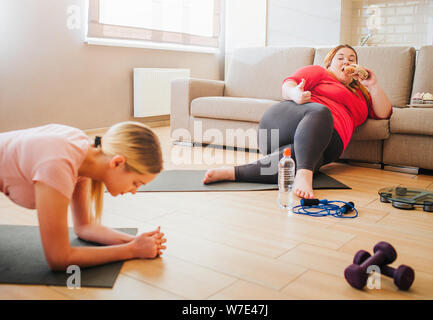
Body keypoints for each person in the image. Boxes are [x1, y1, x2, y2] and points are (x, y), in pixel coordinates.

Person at [203, 44, 392, 199]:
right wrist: (297, 95)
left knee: (294, 161)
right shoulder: (320, 72)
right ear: (330, 63)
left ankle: (232, 172)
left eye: (352, 59)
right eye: (340, 57)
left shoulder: (362, 93)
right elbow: (289, 85)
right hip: (286, 122)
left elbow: (383, 113)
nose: (347, 61)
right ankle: (304, 174)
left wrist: (372, 85)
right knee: (322, 112)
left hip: (325, 142)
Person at [0, 121, 167, 271]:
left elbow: (85, 228)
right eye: (136, 183)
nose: (133, 191)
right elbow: (59, 259)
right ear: (117, 162)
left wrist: (135, 241)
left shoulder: (85, 155)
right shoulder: (58, 164)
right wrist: (131, 250)